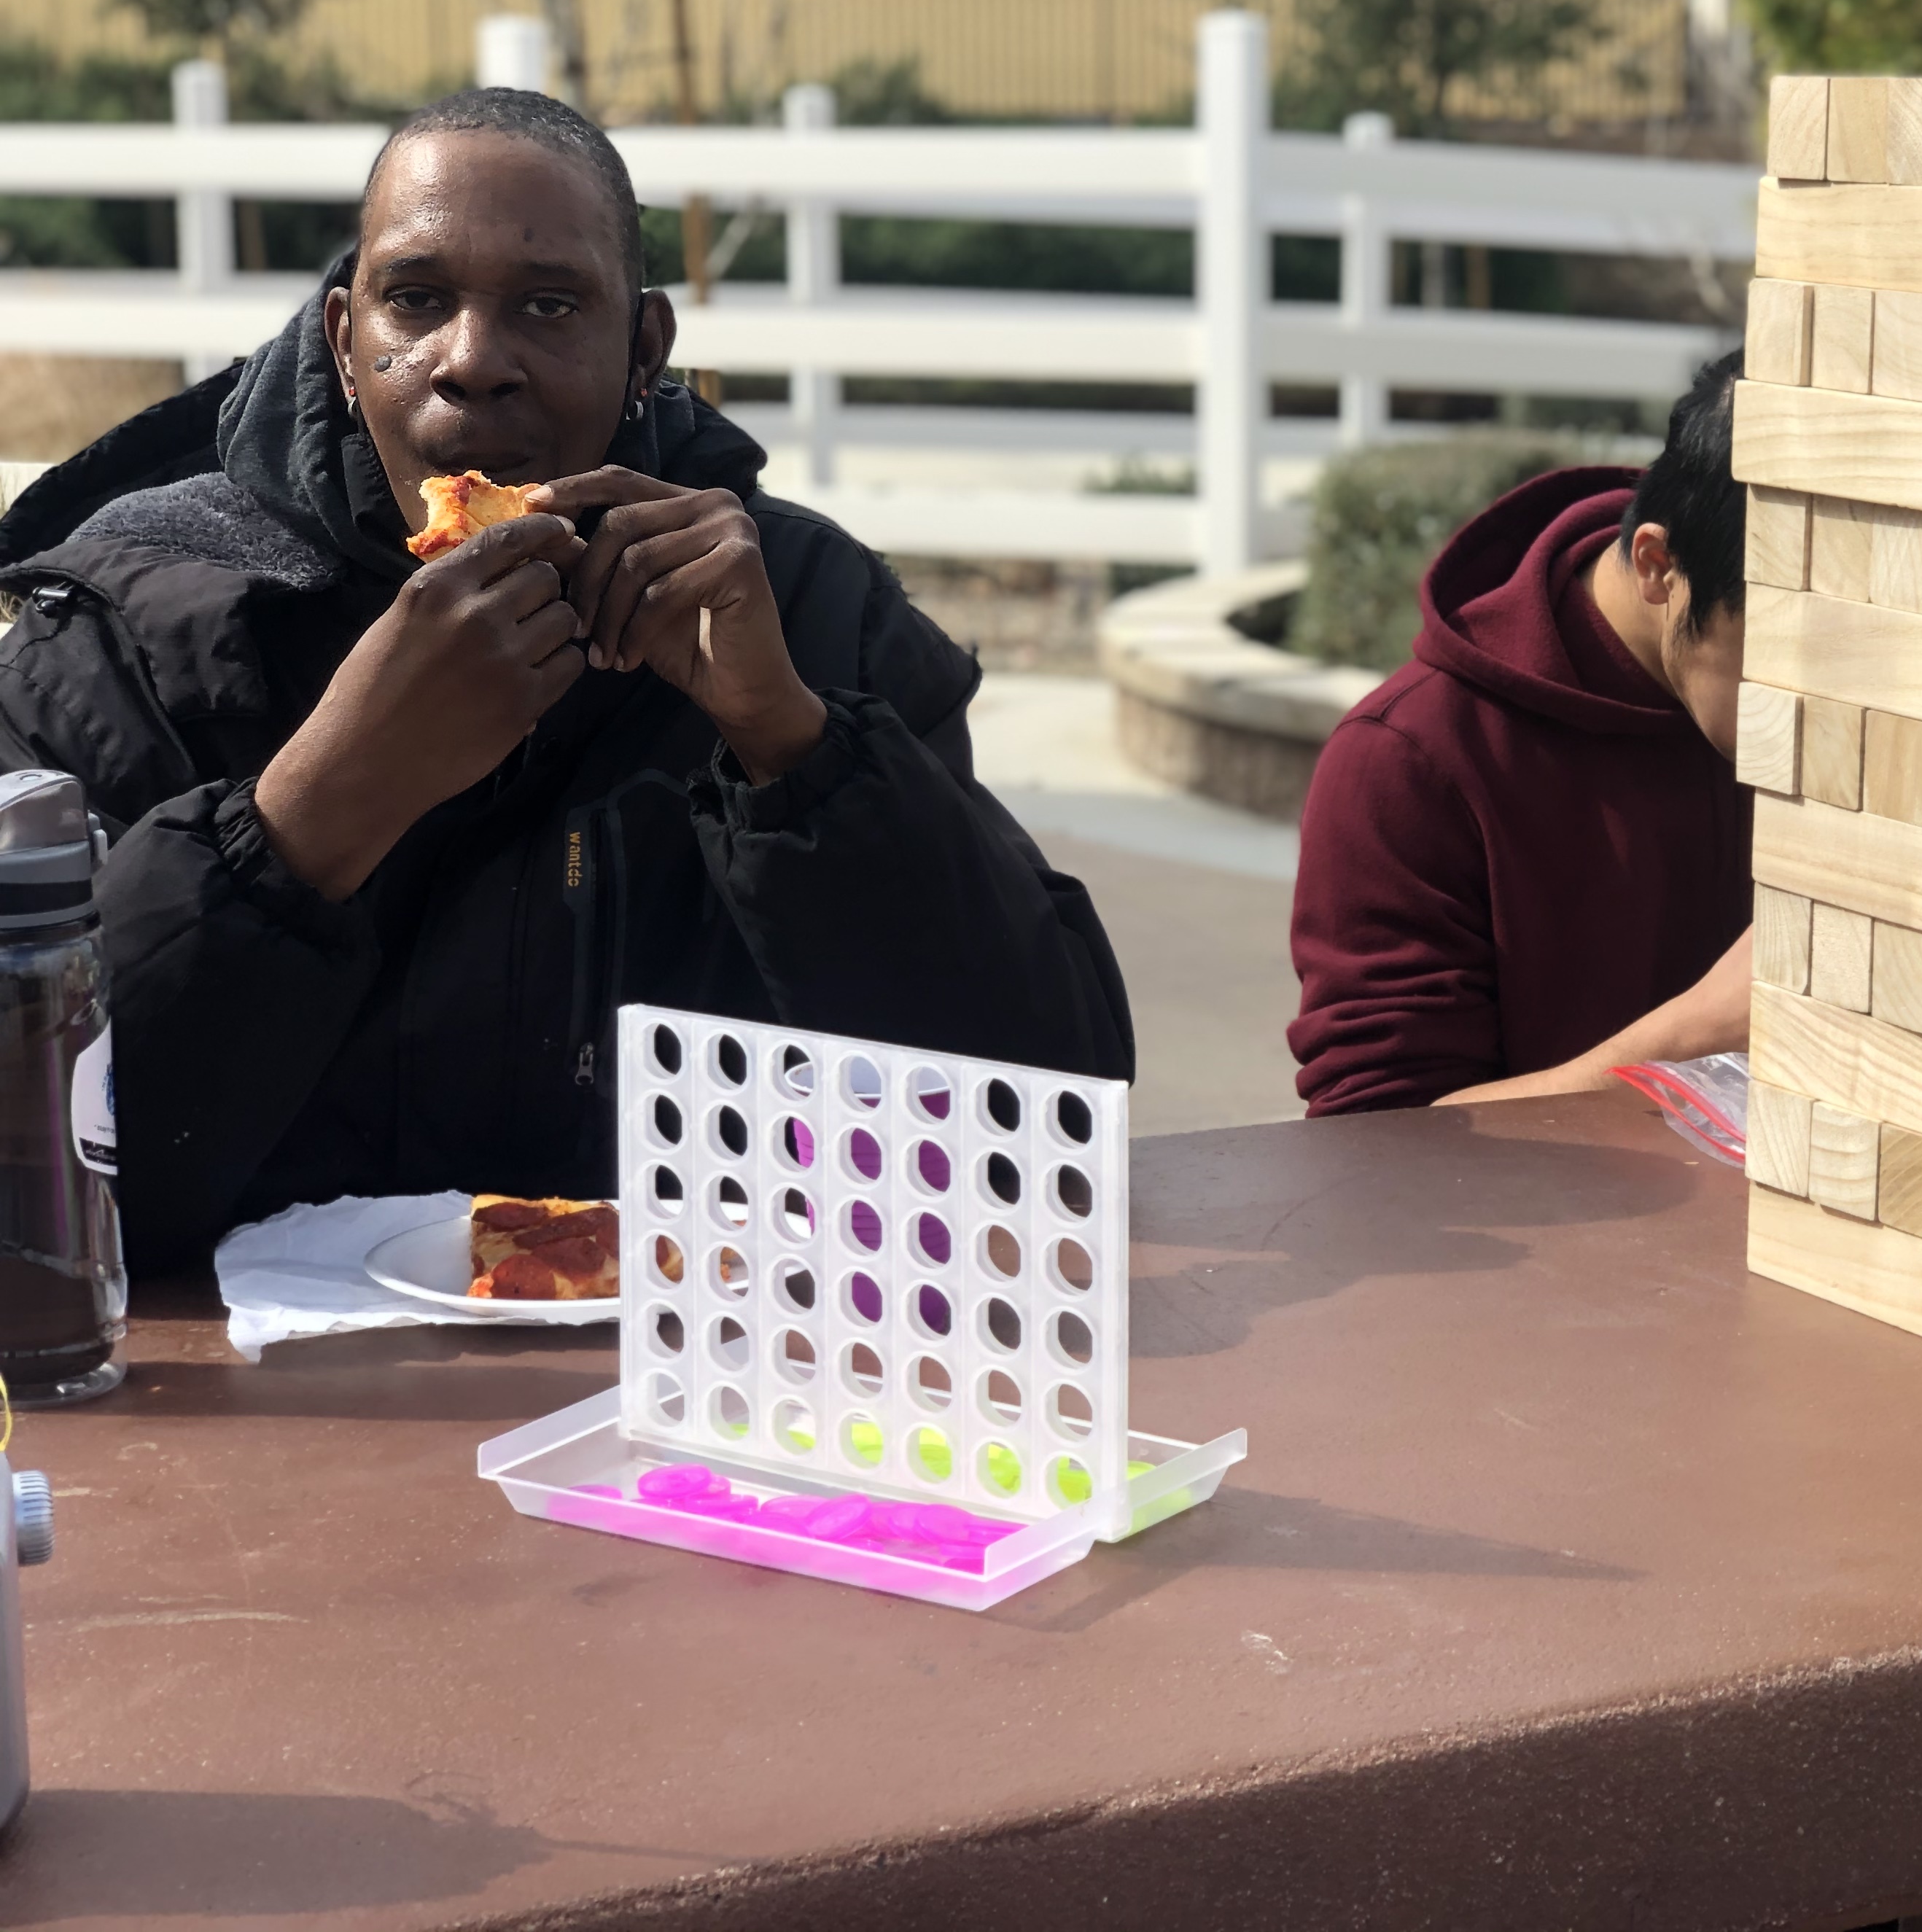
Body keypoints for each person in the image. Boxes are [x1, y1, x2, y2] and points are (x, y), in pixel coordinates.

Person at [0, 88, 1131, 1273]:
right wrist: (320, 806)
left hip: (696, 1356)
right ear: (343, 341)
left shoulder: (805, 612)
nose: (473, 363)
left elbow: (1036, 1139)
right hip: (248, 1369)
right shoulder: (129, 632)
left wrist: (793, 748)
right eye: (416, 300)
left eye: (548, 305)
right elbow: (31, 1191)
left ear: (644, 350)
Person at [1288, 354, 1752, 1114]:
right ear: (1658, 567)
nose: (1819, 702)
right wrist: (1704, 1032)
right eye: (1779, 649)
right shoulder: (1408, 759)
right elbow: (1375, 1139)